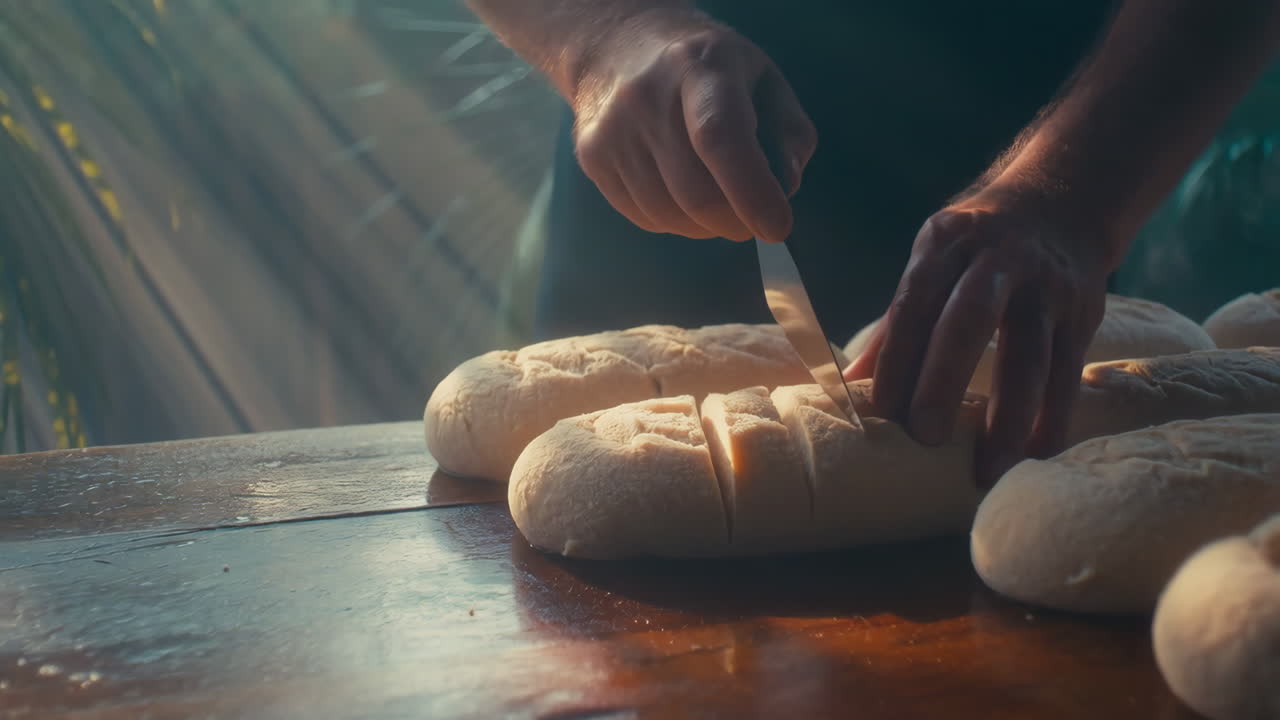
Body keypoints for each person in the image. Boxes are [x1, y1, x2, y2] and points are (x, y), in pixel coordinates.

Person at [466, 0, 1280, 483]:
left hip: (1041, 171)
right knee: (588, 525)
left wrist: (1073, 191)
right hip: (662, 157)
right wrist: (599, 28)